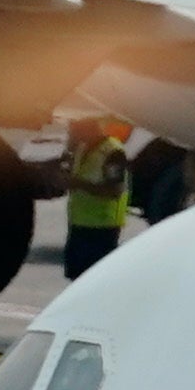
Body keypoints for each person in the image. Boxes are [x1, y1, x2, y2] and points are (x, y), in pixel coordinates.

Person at [57, 118, 130, 279]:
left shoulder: (113, 152)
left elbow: (114, 190)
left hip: (102, 227)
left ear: (87, 129)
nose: (71, 134)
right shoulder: (81, 148)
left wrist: (79, 184)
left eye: (74, 130)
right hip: (79, 224)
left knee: (95, 278)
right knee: (76, 276)